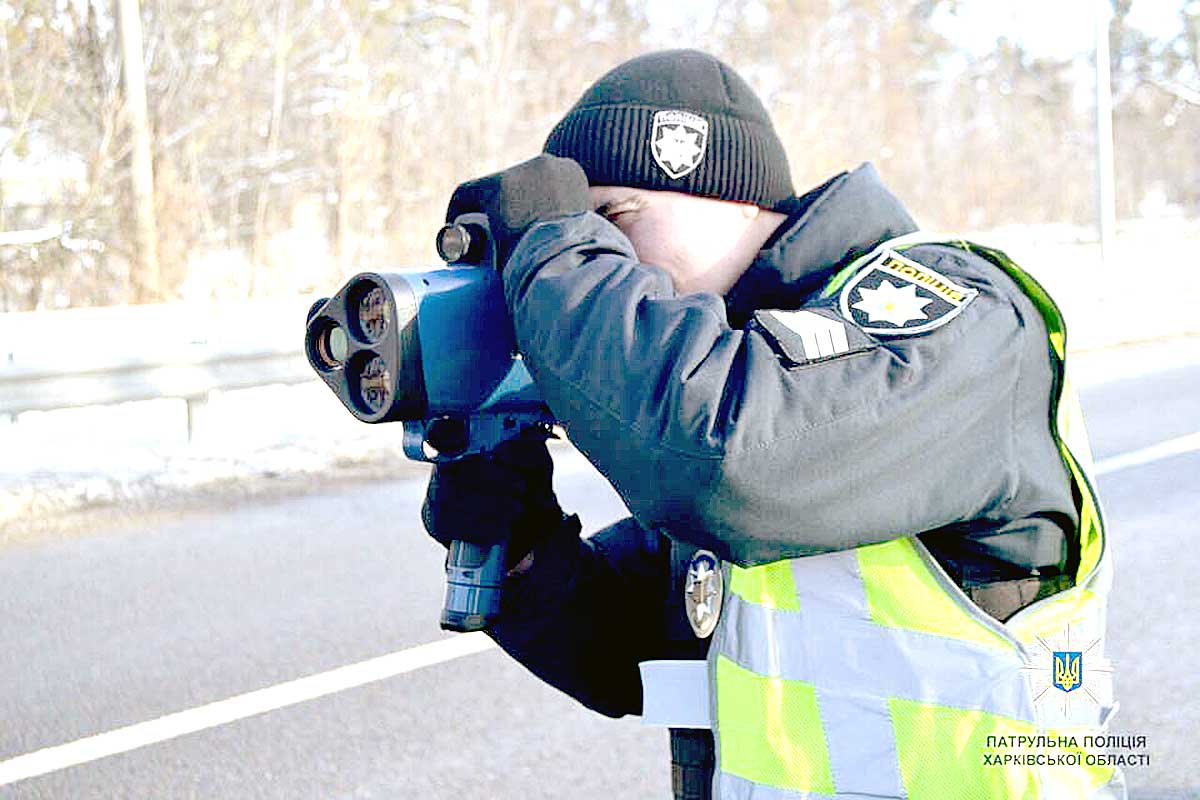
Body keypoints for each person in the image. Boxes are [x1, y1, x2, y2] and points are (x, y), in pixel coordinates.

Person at [422, 50, 1123, 799]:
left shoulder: (951, 313)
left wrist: (553, 250)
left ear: (736, 198)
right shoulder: (741, 372)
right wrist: (525, 545)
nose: (604, 258)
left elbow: (732, 466)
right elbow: (636, 653)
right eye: (586, 235)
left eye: (613, 220)